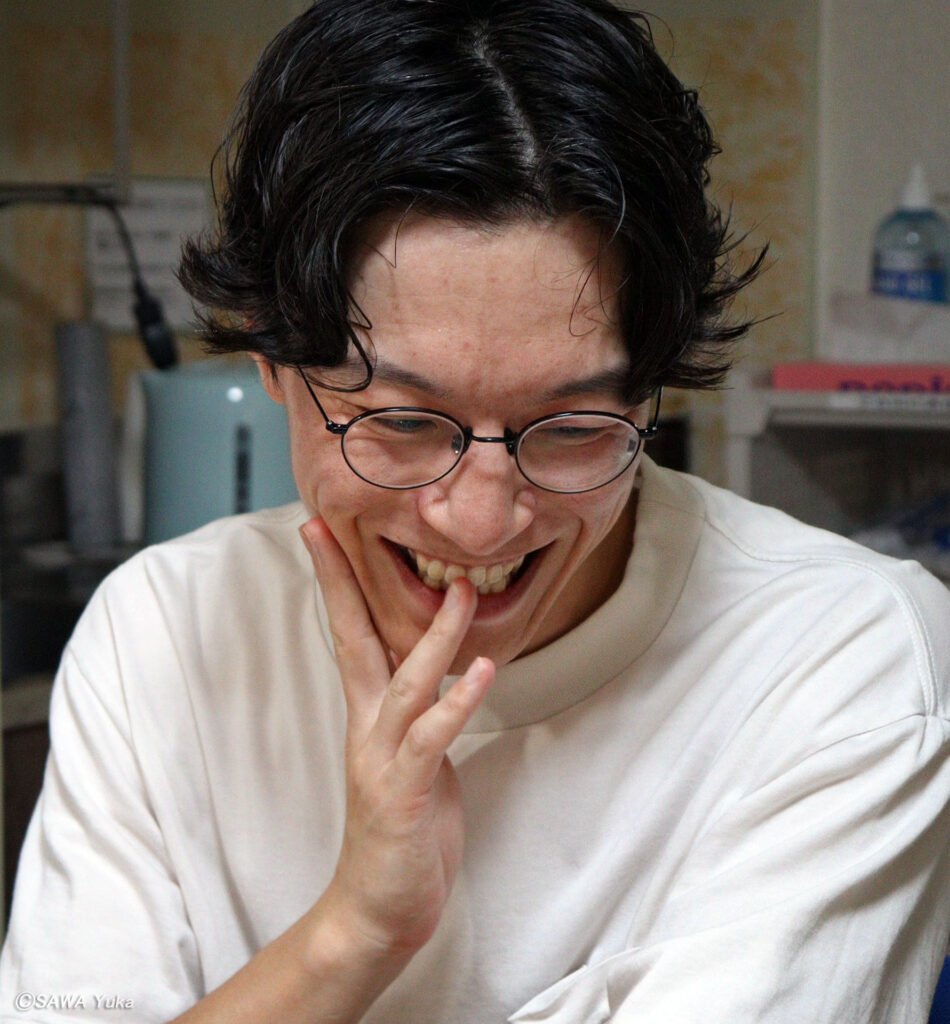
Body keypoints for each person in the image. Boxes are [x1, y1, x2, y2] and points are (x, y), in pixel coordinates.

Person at [3, 0, 950, 1021]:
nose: (481, 521)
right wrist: (352, 933)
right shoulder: (164, 633)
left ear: (651, 393)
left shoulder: (846, 662)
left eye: (571, 426)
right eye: (405, 421)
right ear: (270, 358)